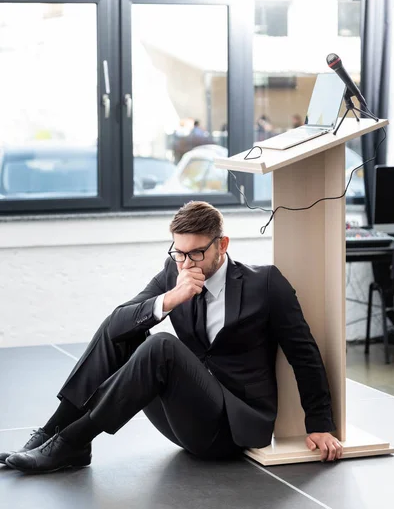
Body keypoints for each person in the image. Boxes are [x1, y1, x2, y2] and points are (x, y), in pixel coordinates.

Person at [1, 202, 342, 474]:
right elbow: (118, 324)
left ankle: (72, 442)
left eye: (196, 253)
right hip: (182, 416)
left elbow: (304, 353)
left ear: (221, 244)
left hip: (230, 428)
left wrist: (320, 424)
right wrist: (171, 299)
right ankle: (53, 431)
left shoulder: (265, 284)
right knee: (122, 326)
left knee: (160, 345)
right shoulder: (174, 273)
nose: (185, 262)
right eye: (178, 252)